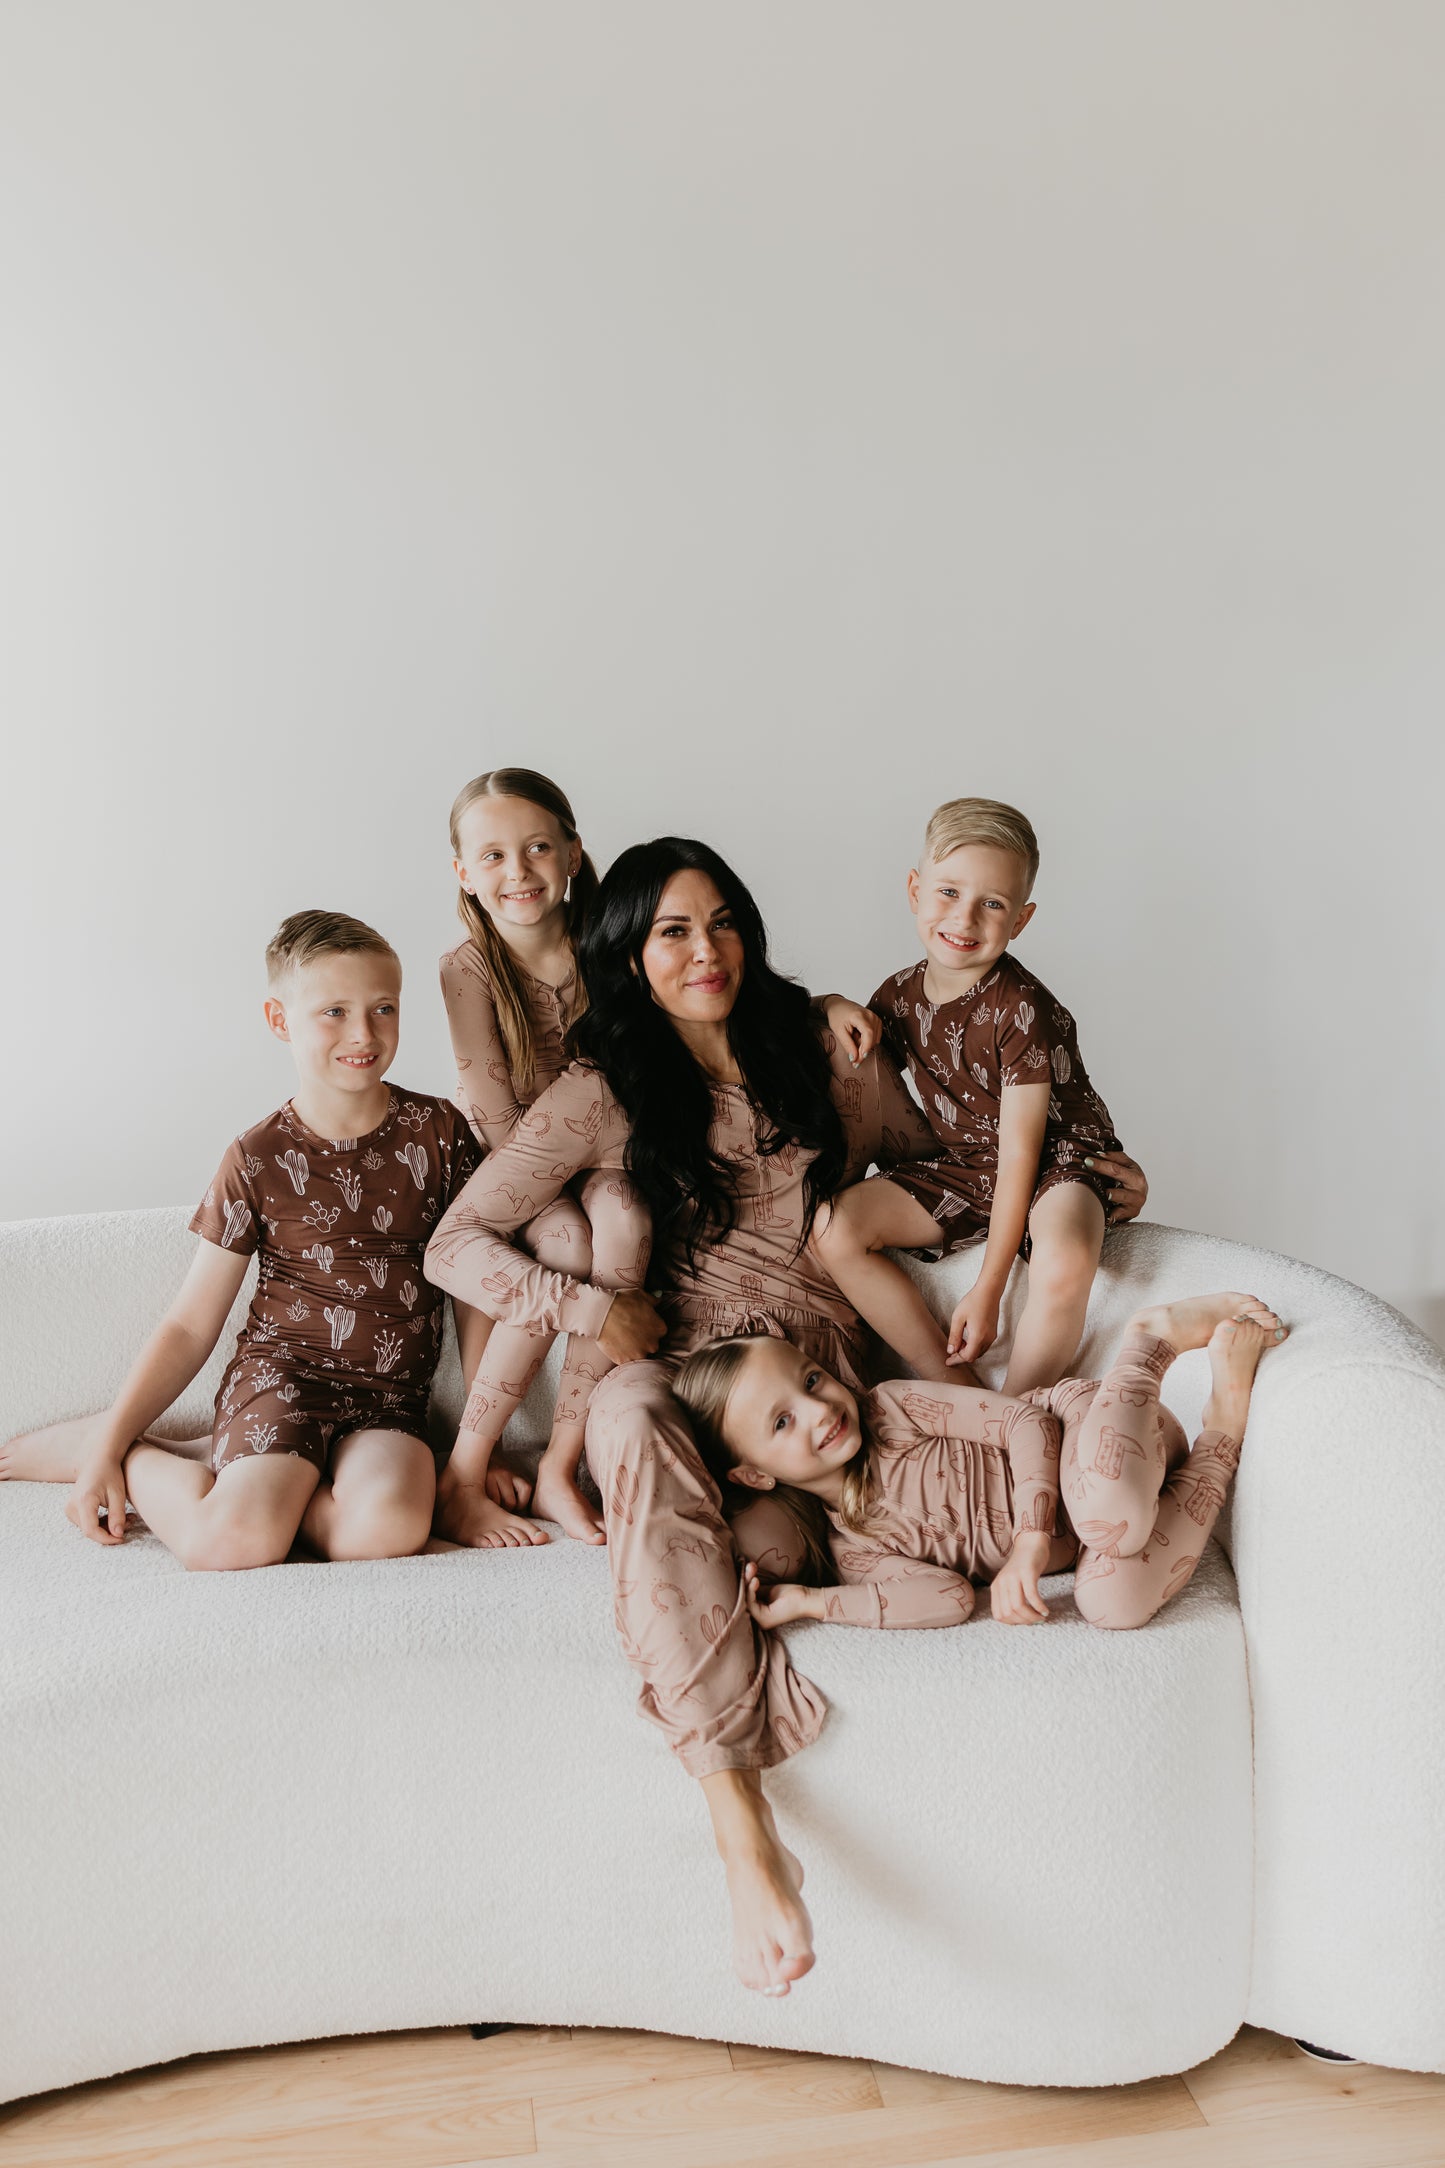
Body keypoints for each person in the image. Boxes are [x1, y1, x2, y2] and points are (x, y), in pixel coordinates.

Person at [423, 837, 1150, 1996]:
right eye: (669, 931)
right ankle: (738, 1823)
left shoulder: (821, 1048)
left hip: (824, 1398)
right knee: (631, 1419)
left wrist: (1089, 1175)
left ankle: (803, 1551)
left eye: (720, 922)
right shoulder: (597, 1091)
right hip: (681, 1373)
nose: (703, 950)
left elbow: (942, 1172)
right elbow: (453, 1240)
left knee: (773, 1549)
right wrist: (580, 1306)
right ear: (627, 954)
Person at [6, 911, 487, 1570]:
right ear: (279, 1019)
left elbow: (476, 1293)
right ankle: (133, 1450)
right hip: (282, 1378)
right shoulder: (257, 1156)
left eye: (383, 1008)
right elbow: (188, 1324)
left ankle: (253, 1472)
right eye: (334, 1012)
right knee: (230, 1544)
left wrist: (474, 1453)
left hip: (389, 1400)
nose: (363, 1033)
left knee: (385, 1533)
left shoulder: (438, 1132)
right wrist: (108, 1446)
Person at [672, 1294, 1286, 1632]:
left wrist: (1028, 1542)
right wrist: (809, 1603)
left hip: (1099, 1433)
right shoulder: (852, 1550)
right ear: (754, 1474)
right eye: (782, 1422)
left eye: (810, 1379)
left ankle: (1150, 1340)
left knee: (1105, 1511)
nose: (817, 1408)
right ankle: (1222, 1433)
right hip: (1125, 1517)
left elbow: (1025, 1421)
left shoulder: (891, 1407)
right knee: (1111, 1605)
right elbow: (948, 1598)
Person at [809, 795, 1124, 1397]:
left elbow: (1021, 1157)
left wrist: (988, 1287)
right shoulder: (898, 996)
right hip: (970, 1166)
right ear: (914, 889)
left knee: (1065, 1261)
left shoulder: (1021, 1007)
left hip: (1059, 1161)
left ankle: (1013, 1413)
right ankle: (956, 1387)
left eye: (993, 904)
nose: (965, 919)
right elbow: (845, 1047)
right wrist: (829, 1003)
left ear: (1021, 920)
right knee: (833, 1228)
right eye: (949, 892)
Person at [439, 767, 647, 1545]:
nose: (516, 872)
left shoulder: (614, 946)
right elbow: (491, 1111)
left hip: (616, 1156)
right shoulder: (466, 970)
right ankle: (465, 1470)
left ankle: (563, 1462)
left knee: (622, 1218)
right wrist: (550, 1186)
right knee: (565, 1241)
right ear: (463, 871)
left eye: (535, 848)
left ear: (571, 853)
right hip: (517, 1164)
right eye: (490, 856)